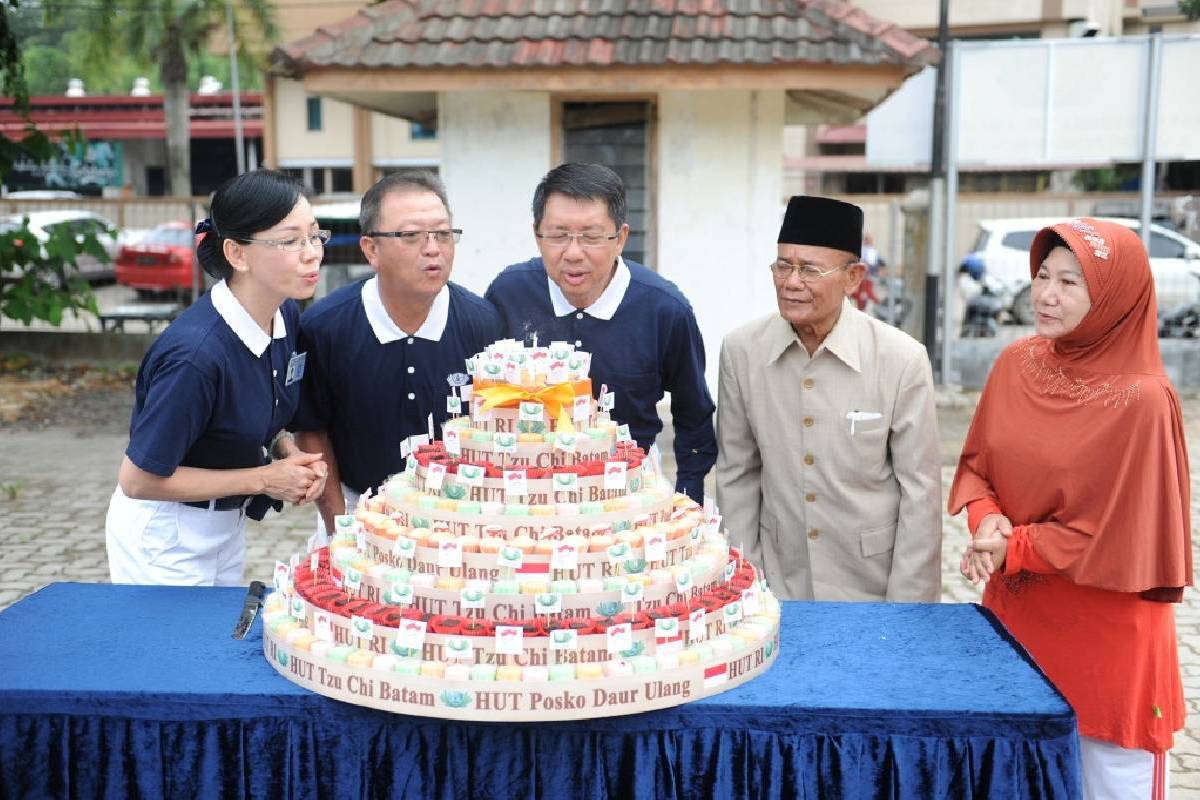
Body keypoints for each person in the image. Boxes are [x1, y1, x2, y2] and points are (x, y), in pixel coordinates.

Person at [951, 219, 1192, 798]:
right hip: (1018, 619)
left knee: (1107, 781)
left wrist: (1014, 545)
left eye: (1069, 283)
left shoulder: (1144, 402)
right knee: (1015, 777)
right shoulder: (1015, 364)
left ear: (1113, 297)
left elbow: (1119, 536)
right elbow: (977, 465)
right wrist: (987, 517)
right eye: (1041, 275)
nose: (1046, 294)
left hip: (1106, 641)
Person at [105, 170, 329, 586]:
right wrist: (265, 479)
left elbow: (255, 406)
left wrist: (285, 451)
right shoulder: (195, 357)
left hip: (226, 523)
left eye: (315, 235)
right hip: (166, 536)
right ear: (237, 254)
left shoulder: (283, 316)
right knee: (176, 650)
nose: (311, 252)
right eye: (289, 240)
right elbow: (137, 480)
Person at [716, 195, 941, 601]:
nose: (791, 282)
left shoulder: (901, 359)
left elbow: (920, 494)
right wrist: (745, 586)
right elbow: (737, 475)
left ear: (853, 277)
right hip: (780, 584)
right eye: (783, 266)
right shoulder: (742, 351)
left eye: (810, 270)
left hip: (870, 586)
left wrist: (908, 613)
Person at [485, 163, 716, 503]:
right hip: (526, 494)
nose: (574, 253)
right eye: (558, 235)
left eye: (592, 237)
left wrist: (688, 498)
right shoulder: (509, 294)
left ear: (621, 238)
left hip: (629, 495)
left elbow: (693, 414)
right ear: (538, 235)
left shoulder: (664, 309)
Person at [293, 172, 502, 533]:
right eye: (411, 236)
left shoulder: (482, 322)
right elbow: (313, 431)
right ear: (371, 249)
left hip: (458, 511)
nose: (433, 248)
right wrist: (339, 526)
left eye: (442, 234)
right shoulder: (325, 327)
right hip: (358, 507)